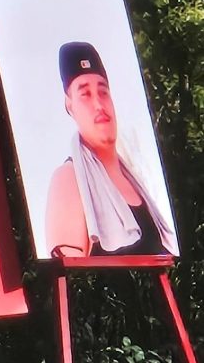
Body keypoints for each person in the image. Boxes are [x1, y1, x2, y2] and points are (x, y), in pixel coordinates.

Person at [45, 41, 177, 258]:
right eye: (85, 94)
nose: (98, 104)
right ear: (70, 106)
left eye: (103, 92)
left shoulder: (136, 179)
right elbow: (73, 272)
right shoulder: (69, 179)